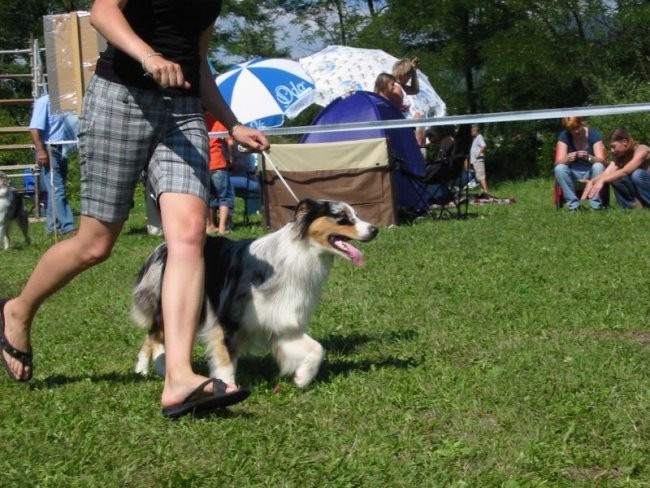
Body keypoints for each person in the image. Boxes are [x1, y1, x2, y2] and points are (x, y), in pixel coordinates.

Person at [0, 0, 269, 418]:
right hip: (121, 101)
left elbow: (196, 62)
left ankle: (179, 376)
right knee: (94, 245)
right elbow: (103, 13)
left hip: (183, 113)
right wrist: (149, 57)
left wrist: (232, 124)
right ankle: (17, 310)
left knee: (190, 235)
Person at [29, 94, 77, 236]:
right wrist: (40, 150)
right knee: (58, 189)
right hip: (49, 149)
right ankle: (68, 227)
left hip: (62, 148)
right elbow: (34, 128)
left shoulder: (65, 101)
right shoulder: (44, 101)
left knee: (54, 190)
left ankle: (52, 228)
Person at [582, 127, 650, 209]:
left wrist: (602, 180)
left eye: (613, 146)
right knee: (615, 177)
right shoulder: (619, 156)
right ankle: (630, 207)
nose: (612, 150)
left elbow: (625, 171)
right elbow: (607, 173)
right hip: (640, 189)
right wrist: (592, 181)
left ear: (624, 142)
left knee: (637, 174)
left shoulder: (642, 150)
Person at [554, 116, 607, 211]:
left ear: (582, 123)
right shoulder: (564, 136)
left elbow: (603, 162)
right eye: (571, 129)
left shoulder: (593, 134)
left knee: (599, 166)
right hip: (572, 173)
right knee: (559, 169)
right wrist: (567, 159)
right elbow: (557, 163)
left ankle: (595, 206)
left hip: (591, 173)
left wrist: (589, 157)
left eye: (577, 127)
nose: (576, 131)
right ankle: (573, 207)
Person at [204, 113, 235, 234]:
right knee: (224, 197)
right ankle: (222, 227)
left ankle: (210, 225)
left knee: (209, 197)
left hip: (205, 163)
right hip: (218, 163)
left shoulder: (201, 118)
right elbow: (231, 143)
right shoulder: (220, 120)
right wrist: (232, 157)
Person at [469, 124, 492, 198]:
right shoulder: (474, 139)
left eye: (472, 131)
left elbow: (484, 145)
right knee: (478, 177)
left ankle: (486, 192)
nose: (471, 133)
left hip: (478, 160)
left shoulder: (479, 137)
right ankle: (483, 192)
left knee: (481, 176)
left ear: (475, 131)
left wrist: (479, 154)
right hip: (475, 161)